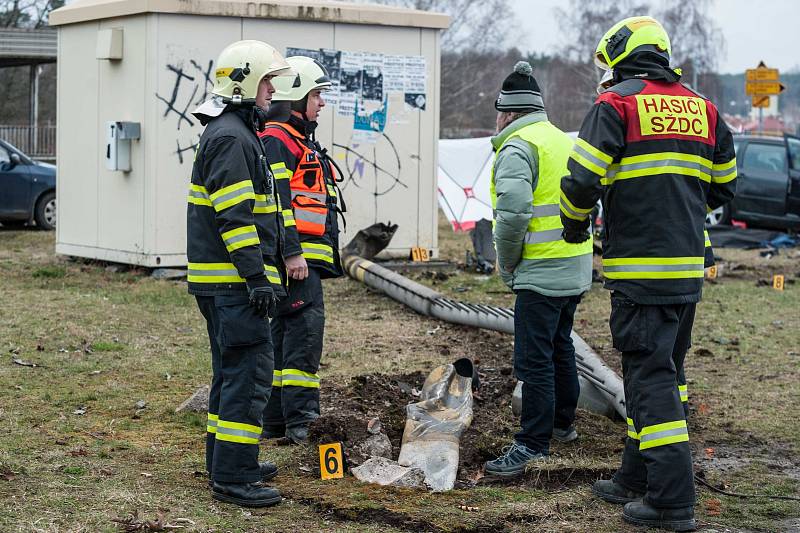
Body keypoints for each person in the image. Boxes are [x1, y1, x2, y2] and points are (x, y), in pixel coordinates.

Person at [560, 16, 737, 531]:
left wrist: (575, 231)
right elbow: (725, 187)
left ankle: (671, 500)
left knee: (650, 376)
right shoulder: (705, 108)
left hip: (640, 272)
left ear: (618, 54)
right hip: (686, 272)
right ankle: (635, 477)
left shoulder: (616, 105)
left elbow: (579, 182)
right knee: (663, 374)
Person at [187, 40, 295, 508]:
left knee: (231, 373)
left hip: (223, 282)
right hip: (235, 284)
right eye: (268, 80)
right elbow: (237, 218)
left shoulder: (231, 131)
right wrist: (257, 278)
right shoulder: (233, 137)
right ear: (246, 82)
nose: (273, 89)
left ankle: (229, 460)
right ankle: (234, 477)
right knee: (248, 377)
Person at [483, 61, 594, 478]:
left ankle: (532, 443)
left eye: (498, 113)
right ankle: (563, 425)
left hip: (541, 270)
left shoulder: (517, 147)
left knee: (534, 360)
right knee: (560, 346)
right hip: (574, 265)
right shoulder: (560, 140)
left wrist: (508, 264)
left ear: (508, 112)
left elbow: (512, 217)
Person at [257, 56, 344, 444]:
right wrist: (293, 253)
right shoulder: (278, 140)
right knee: (303, 340)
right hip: (296, 262)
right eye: (316, 95)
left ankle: (277, 421)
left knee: (285, 337)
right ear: (295, 99)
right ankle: (302, 423)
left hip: (300, 260)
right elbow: (279, 202)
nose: (321, 103)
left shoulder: (290, 139)